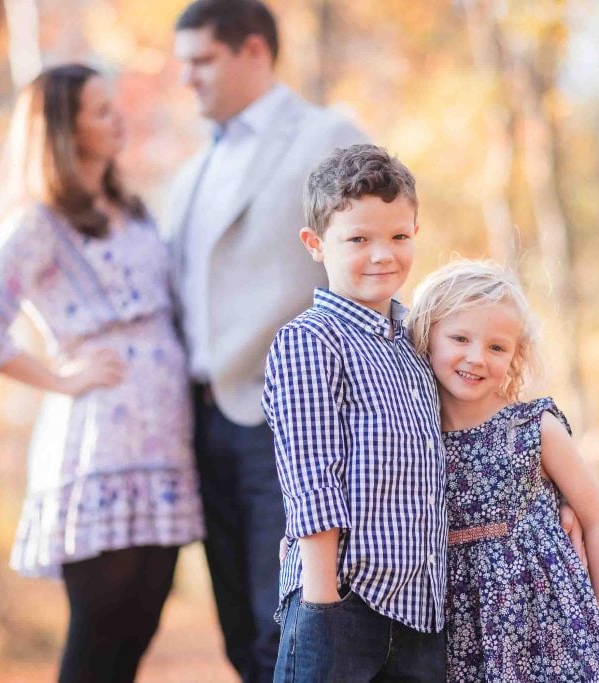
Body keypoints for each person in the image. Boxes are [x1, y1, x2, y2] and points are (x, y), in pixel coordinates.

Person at [0, 63, 204, 682]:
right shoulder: (39, 224)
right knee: (98, 641)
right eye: (100, 110)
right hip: (99, 452)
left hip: (165, 449)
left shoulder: (134, 210)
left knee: (138, 631)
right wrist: (61, 379)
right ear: (63, 129)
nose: (118, 119)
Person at [166, 1, 367, 679]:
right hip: (197, 418)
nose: (186, 78)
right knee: (239, 629)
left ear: (253, 50)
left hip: (286, 409)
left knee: (287, 618)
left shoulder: (326, 134)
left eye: (201, 60)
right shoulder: (189, 172)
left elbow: (375, 256)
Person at [262, 144, 448, 682]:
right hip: (343, 604)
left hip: (420, 612)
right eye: (358, 239)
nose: (382, 255)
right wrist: (324, 605)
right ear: (316, 245)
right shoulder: (311, 341)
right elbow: (312, 480)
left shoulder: (418, 340)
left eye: (398, 237)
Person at [407, 259, 599, 681]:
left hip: (549, 621)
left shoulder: (533, 428)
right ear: (427, 336)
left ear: (515, 355)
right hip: (462, 628)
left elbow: (596, 520)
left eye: (497, 347)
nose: (477, 357)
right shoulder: (416, 437)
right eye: (460, 338)